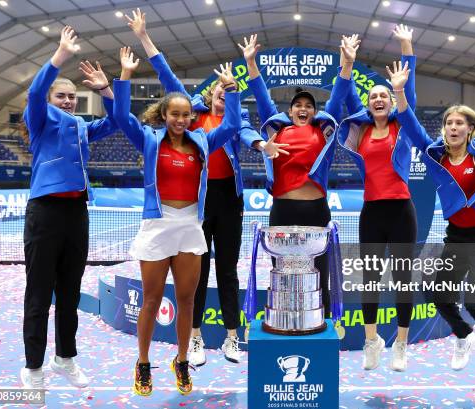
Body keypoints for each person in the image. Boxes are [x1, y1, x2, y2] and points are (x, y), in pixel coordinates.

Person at [124, 9, 275, 366]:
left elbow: (247, 130)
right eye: (219, 92)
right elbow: (167, 76)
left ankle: (232, 338)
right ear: (209, 95)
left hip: (228, 200)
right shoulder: (189, 118)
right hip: (199, 202)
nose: (222, 97)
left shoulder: (233, 120)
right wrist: (145, 37)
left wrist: (259, 145)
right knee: (199, 270)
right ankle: (193, 341)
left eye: (228, 93)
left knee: (227, 269)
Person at [112, 47, 241, 396]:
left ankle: (181, 360)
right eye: (175, 114)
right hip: (158, 225)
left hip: (189, 226)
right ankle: (142, 362)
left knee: (186, 300)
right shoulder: (150, 140)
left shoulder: (201, 141)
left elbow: (231, 124)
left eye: (186, 115)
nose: (181, 120)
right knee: (152, 300)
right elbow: (122, 116)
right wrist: (124, 75)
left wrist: (231, 90)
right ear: (164, 114)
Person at [391, 53, 475, 382]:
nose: (452, 127)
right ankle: (462, 334)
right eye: (449, 123)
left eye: (459, 123)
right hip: (457, 237)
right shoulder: (435, 154)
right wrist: (399, 93)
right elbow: (410, 125)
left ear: (470, 129)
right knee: (437, 290)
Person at [20, 26, 118, 388]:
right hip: (44, 214)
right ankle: (33, 367)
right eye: (61, 96)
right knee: (39, 292)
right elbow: (33, 91)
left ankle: (65, 358)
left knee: (70, 292)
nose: (68, 101)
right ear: (49, 98)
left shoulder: (79, 125)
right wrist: (60, 55)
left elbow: (117, 120)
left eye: (72, 97)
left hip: (77, 214)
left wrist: (106, 90)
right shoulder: (40, 118)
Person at [238, 33, 355, 319]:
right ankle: (285, 320)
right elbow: (263, 96)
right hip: (283, 208)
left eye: (309, 106)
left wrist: (347, 63)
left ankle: (325, 323)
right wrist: (251, 62)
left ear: (314, 111)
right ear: (290, 111)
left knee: (320, 271)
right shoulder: (276, 130)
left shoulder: (323, 131)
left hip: (316, 208)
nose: (303, 109)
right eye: (298, 106)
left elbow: (338, 96)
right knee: (282, 269)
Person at [337, 25, 417, 372]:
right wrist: (348, 61)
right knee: (369, 279)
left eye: (384, 95)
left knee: (401, 279)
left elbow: (406, 96)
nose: (379, 99)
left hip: (401, 210)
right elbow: (349, 94)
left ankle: (401, 343)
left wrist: (405, 45)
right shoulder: (363, 129)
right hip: (371, 211)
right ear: (369, 105)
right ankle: (372, 341)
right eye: (374, 97)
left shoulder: (403, 126)